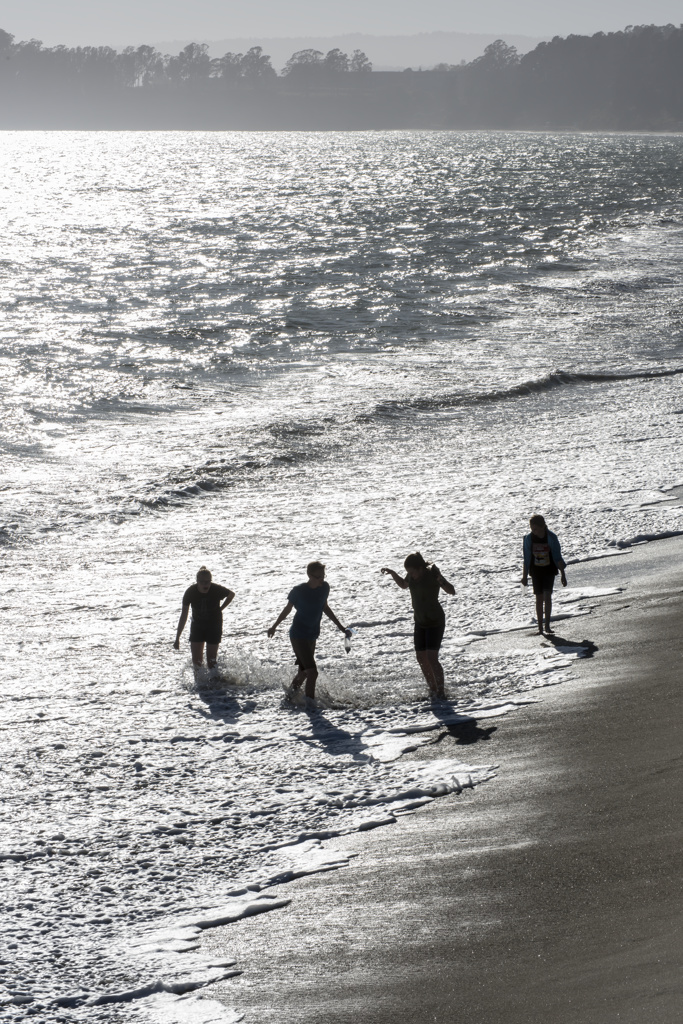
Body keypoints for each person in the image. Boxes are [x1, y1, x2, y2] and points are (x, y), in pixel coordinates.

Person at [267, 561, 351, 701]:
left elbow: (325, 607)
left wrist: (341, 627)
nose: (321, 580)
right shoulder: (298, 591)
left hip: (312, 635)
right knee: (312, 672)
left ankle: (289, 698)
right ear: (309, 575)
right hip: (298, 635)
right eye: (318, 577)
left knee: (304, 672)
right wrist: (274, 626)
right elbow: (287, 609)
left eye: (323, 576)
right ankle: (310, 707)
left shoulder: (325, 588)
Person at [381, 552, 455, 700]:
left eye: (412, 572)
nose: (411, 575)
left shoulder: (432, 576)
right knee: (421, 657)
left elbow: (451, 591)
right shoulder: (411, 577)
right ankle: (433, 689)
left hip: (435, 622)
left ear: (420, 568)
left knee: (431, 657)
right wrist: (393, 573)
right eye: (409, 572)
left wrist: (440, 578)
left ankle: (441, 691)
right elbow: (403, 585)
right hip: (420, 621)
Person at [174, 566, 235, 670]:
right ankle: (200, 684)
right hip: (197, 626)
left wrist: (221, 608)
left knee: (211, 661)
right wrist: (177, 638)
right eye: (202, 582)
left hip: (214, 625)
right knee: (197, 663)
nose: (205, 584)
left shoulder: (216, 589)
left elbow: (231, 594)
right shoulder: (190, 592)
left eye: (208, 582)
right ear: (197, 581)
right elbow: (184, 615)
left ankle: (215, 684)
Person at [521, 515, 567, 634]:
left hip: (549, 570)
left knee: (547, 596)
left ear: (543, 526)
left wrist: (563, 574)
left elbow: (558, 558)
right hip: (536, 571)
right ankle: (540, 628)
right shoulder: (528, 539)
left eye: (535, 528)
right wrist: (524, 577)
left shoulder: (551, 538)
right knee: (539, 598)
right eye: (531, 528)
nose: (533, 531)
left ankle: (547, 626)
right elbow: (526, 559)